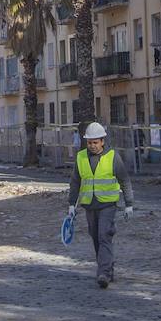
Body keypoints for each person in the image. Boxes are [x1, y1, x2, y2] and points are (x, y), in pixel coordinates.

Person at [66, 121, 134, 288]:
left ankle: (103, 273)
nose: (92, 146)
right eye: (89, 142)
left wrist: (129, 203)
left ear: (102, 141)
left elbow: (124, 180)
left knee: (104, 235)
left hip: (108, 205)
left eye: (95, 142)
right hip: (89, 205)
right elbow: (75, 182)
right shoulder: (81, 157)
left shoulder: (113, 156)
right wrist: (71, 204)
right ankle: (106, 269)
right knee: (96, 237)